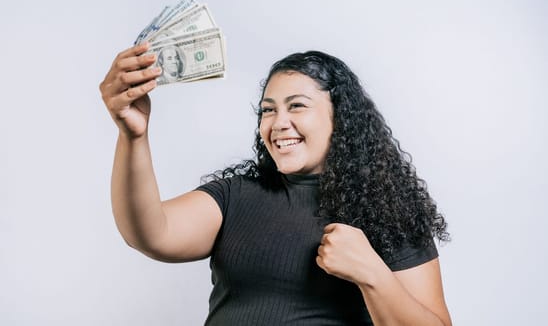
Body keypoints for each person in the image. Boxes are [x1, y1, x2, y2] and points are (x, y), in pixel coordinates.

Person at [100, 42, 452, 325]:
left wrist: (373, 275)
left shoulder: (388, 212)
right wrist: (133, 137)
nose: (279, 122)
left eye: (296, 106)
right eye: (268, 110)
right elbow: (149, 233)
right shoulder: (236, 195)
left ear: (341, 119)